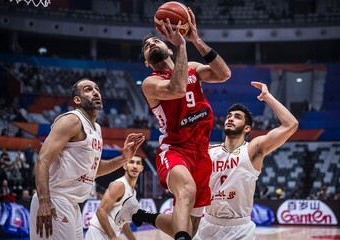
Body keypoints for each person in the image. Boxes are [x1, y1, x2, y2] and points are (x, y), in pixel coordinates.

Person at [116, 7, 231, 240]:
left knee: (192, 226)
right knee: (186, 190)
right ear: (147, 63)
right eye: (146, 48)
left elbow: (224, 74)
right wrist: (181, 47)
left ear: (167, 47)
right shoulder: (150, 82)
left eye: (154, 42)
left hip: (201, 152)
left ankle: (139, 214)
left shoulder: (193, 69)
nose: (150, 46)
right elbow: (177, 89)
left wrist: (194, 39)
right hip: (175, 149)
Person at [29, 79, 145, 239]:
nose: (96, 92)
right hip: (55, 200)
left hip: (72, 205)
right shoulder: (72, 120)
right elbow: (43, 160)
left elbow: (93, 170)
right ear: (77, 99)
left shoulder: (96, 128)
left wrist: (123, 158)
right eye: (88, 90)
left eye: (97, 89)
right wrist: (44, 202)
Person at [193, 81, 298, 240]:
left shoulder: (252, 149)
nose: (230, 119)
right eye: (229, 116)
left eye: (237, 117)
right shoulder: (208, 151)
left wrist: (267, 97)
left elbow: (291, 124)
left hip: (239, 228)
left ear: (247, 128)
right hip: (207, 223)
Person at [84, 155, 144, 240]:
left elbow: (122, 221)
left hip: (110, 235)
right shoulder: (119, 185)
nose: (134, 166)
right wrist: (113, 237)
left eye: (138, 163)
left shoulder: (133, 192)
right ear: (124, 166)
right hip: (98, 234)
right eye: (131, 162)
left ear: (141, 168)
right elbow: (100, 211)